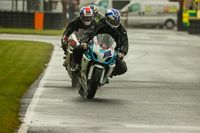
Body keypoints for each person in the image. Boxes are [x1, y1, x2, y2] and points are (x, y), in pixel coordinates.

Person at [73, 8, 129, 76]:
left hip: (111, 50)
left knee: (123, 68)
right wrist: (83, 42)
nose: (115, 23)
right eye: (113, 21)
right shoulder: (100, 24)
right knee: (77, 49)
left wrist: (122, 52)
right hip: (96, 45)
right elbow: (88, 32)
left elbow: (125, 42)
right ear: (107, 19)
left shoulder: (121, 30)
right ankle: (78, 66)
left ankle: (108, 73)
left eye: (117, 21)